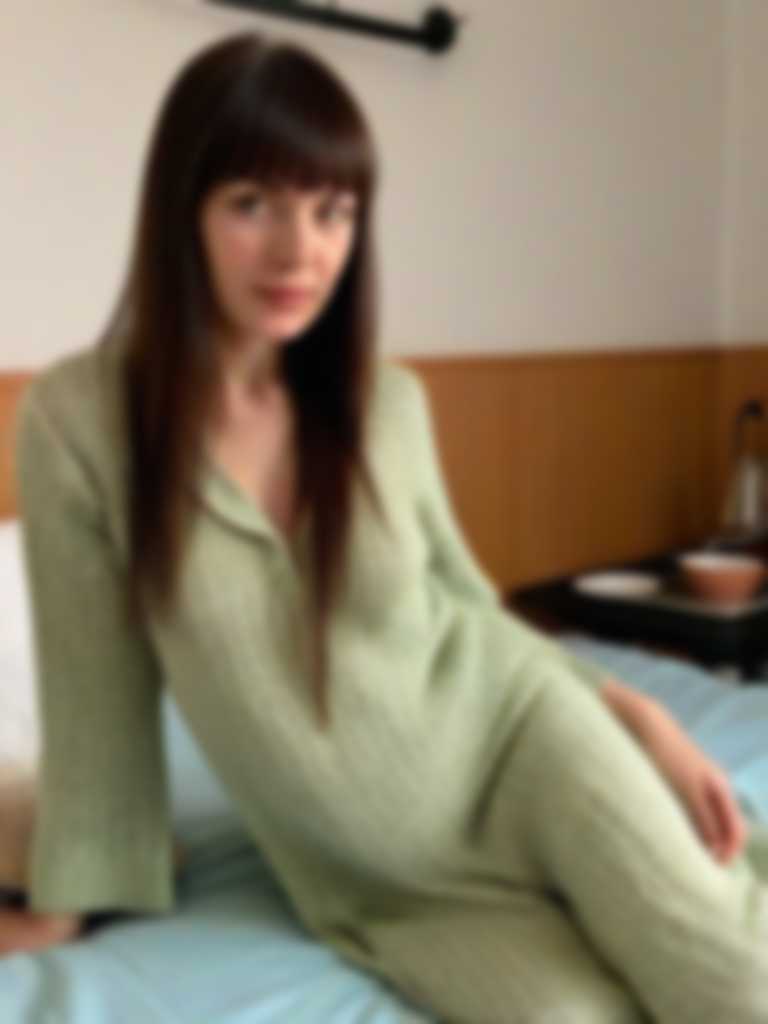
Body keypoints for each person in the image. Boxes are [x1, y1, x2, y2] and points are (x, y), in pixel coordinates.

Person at [4, 30, 767, 1021]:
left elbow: (471, 612)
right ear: (180, 208)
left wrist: (638, 716)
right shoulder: (82, 427)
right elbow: (95, 699)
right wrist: (64, 906)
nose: (300, 250)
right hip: (389, 887)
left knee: (733, 983)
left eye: (333, 210)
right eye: (253, 203)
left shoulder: (385, 404)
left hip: (524, 746)